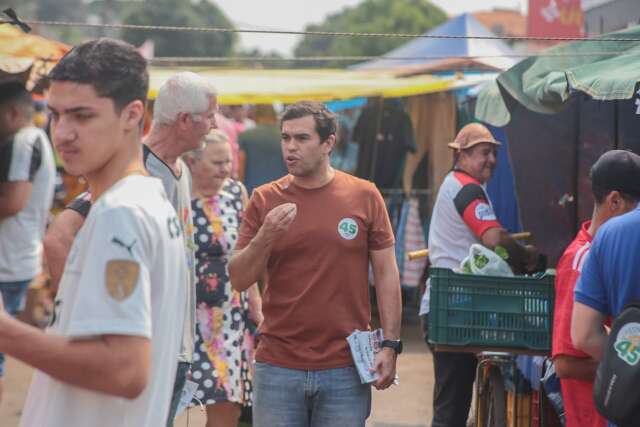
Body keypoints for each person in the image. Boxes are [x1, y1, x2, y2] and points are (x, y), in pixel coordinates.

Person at [0, 38, 188, 426]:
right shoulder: (142, 202)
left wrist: (5, 331)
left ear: (133, 115)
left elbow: (123, 370)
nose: (63, 133)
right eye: (55, 114)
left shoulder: (122, 213)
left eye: (82, 116)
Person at [41, 70, 219, 426]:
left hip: (172, 348)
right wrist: (87, 322)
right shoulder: (140, 171)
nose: (215, 124)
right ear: (185, 120)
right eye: (210, 115)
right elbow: (60, 237)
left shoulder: (178, 167)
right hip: (142, 352)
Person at [228, 100, 402, 427]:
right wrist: (266, 235)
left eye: (302, 138)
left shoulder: (365, 196)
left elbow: (386, 273)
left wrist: (391, 345)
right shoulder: (264, 199)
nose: (290, 147)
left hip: (345, 368)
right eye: (285, 138)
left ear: (328, 143)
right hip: (278, 365)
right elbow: (238, 278)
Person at [422, 123, 539, 427]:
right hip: (452, 307)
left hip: (459, 304)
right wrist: (526, 257)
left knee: (455, 400)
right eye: (484, 153)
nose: (491, 160)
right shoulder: (466, 188)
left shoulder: (459, 185)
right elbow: (493, 238)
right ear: (461, 154)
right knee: (451, 408)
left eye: (494, 154)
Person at [552, 151, 640, 427]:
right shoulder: (580, 258)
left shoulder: (603, 245)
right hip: (596, 415)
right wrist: (629, 364)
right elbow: (565, 362)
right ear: (614, 200)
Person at [183, 129, 262, 427]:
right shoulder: (174, 193)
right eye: (217, 162)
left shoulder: (235, 193)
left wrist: (256, 304)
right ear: (192, 162)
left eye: (228, 162)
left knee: (228, 401)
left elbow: (246, 252)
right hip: (186, 316)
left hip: (229, 316)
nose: (225, 169)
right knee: (177, 399)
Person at [0, 82, 56, 403]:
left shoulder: (24, 141)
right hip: (15, 258)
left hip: (8, 262)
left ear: (12, 113)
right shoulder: (29, 140)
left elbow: (12, 202)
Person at [572, 150, 640, 364]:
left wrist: (629, 367)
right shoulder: (582, 253)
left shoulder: (609, 235)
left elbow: (584, 335)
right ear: (614, 200)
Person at [238, 104, 287, 195]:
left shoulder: (245, 136)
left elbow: (241, 166)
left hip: (253, 190)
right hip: (281, 189)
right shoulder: (285, 135)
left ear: (256, 114)